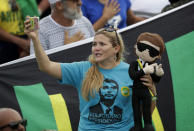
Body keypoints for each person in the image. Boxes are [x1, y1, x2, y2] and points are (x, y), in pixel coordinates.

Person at [24, 17, 156, 130]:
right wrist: (35, 39)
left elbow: (145, 111)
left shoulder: (132, 72)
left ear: (116, 48)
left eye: (102, 44)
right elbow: (46, 66)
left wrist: (153, 93)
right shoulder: (82, 69)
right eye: (94, 44)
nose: (96, 48)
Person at [30, 0, 95, 54]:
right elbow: (36, 67)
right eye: (75, 0)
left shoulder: (85, 21)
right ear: (59, 5)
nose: (80, 3)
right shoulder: (40, 30)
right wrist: (65, 50)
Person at [81, 0, 145, 31]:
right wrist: (105, 18)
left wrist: (152, 21)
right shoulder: (82, 3)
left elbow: (131, 20)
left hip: (124, 43)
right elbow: (86, 35)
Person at [0, 0, 30, 64]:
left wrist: (31, 41)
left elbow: (33, 16)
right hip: (5, 45)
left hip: (28, 42)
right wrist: (21, 43)